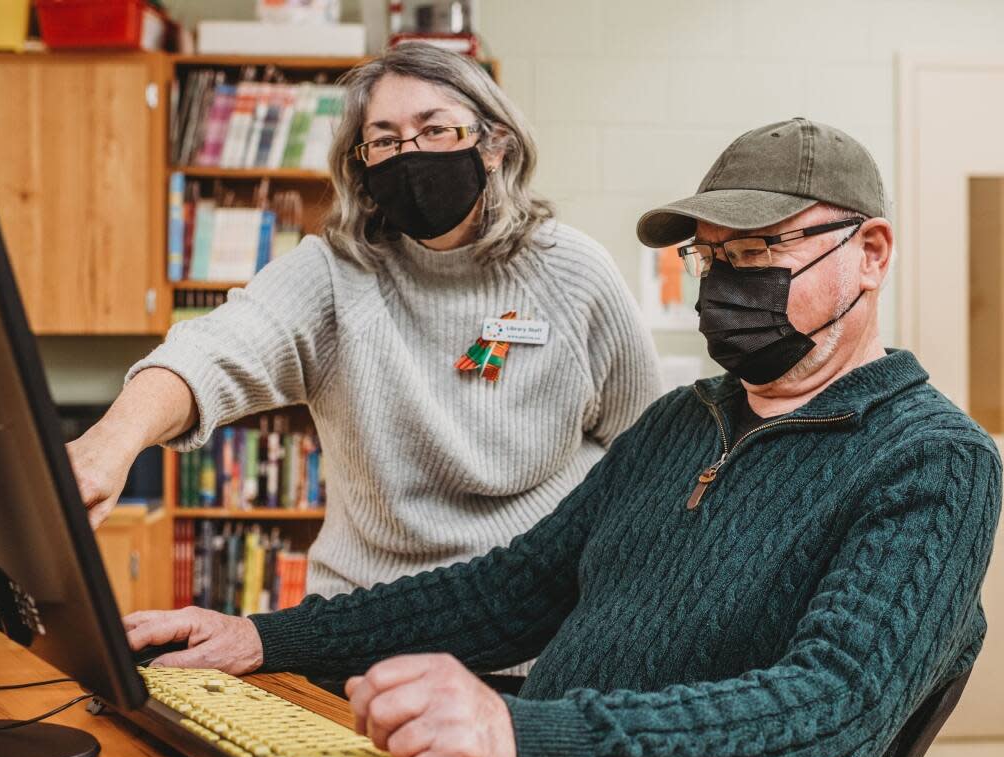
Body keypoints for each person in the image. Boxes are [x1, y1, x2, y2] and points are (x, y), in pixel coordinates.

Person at [123, 118, 1003, 757]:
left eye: (761, 252)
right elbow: (512, 589)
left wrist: (529, 740)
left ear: (871, 252)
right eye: (712, 255)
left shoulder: (931, 461)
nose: (728, 281)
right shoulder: (679, 423)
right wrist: (266, 637)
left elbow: (827, 717)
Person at [67, 43, 661, 603]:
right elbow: (215, 349)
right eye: (384, 140)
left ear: (494, 144)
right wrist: (109, 445)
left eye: (434, 129)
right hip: (365, 619)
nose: (410, 154)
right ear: (362, 165)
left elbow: (649, 450)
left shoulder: (573, 272)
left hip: (536, 620)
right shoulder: (334, 274)